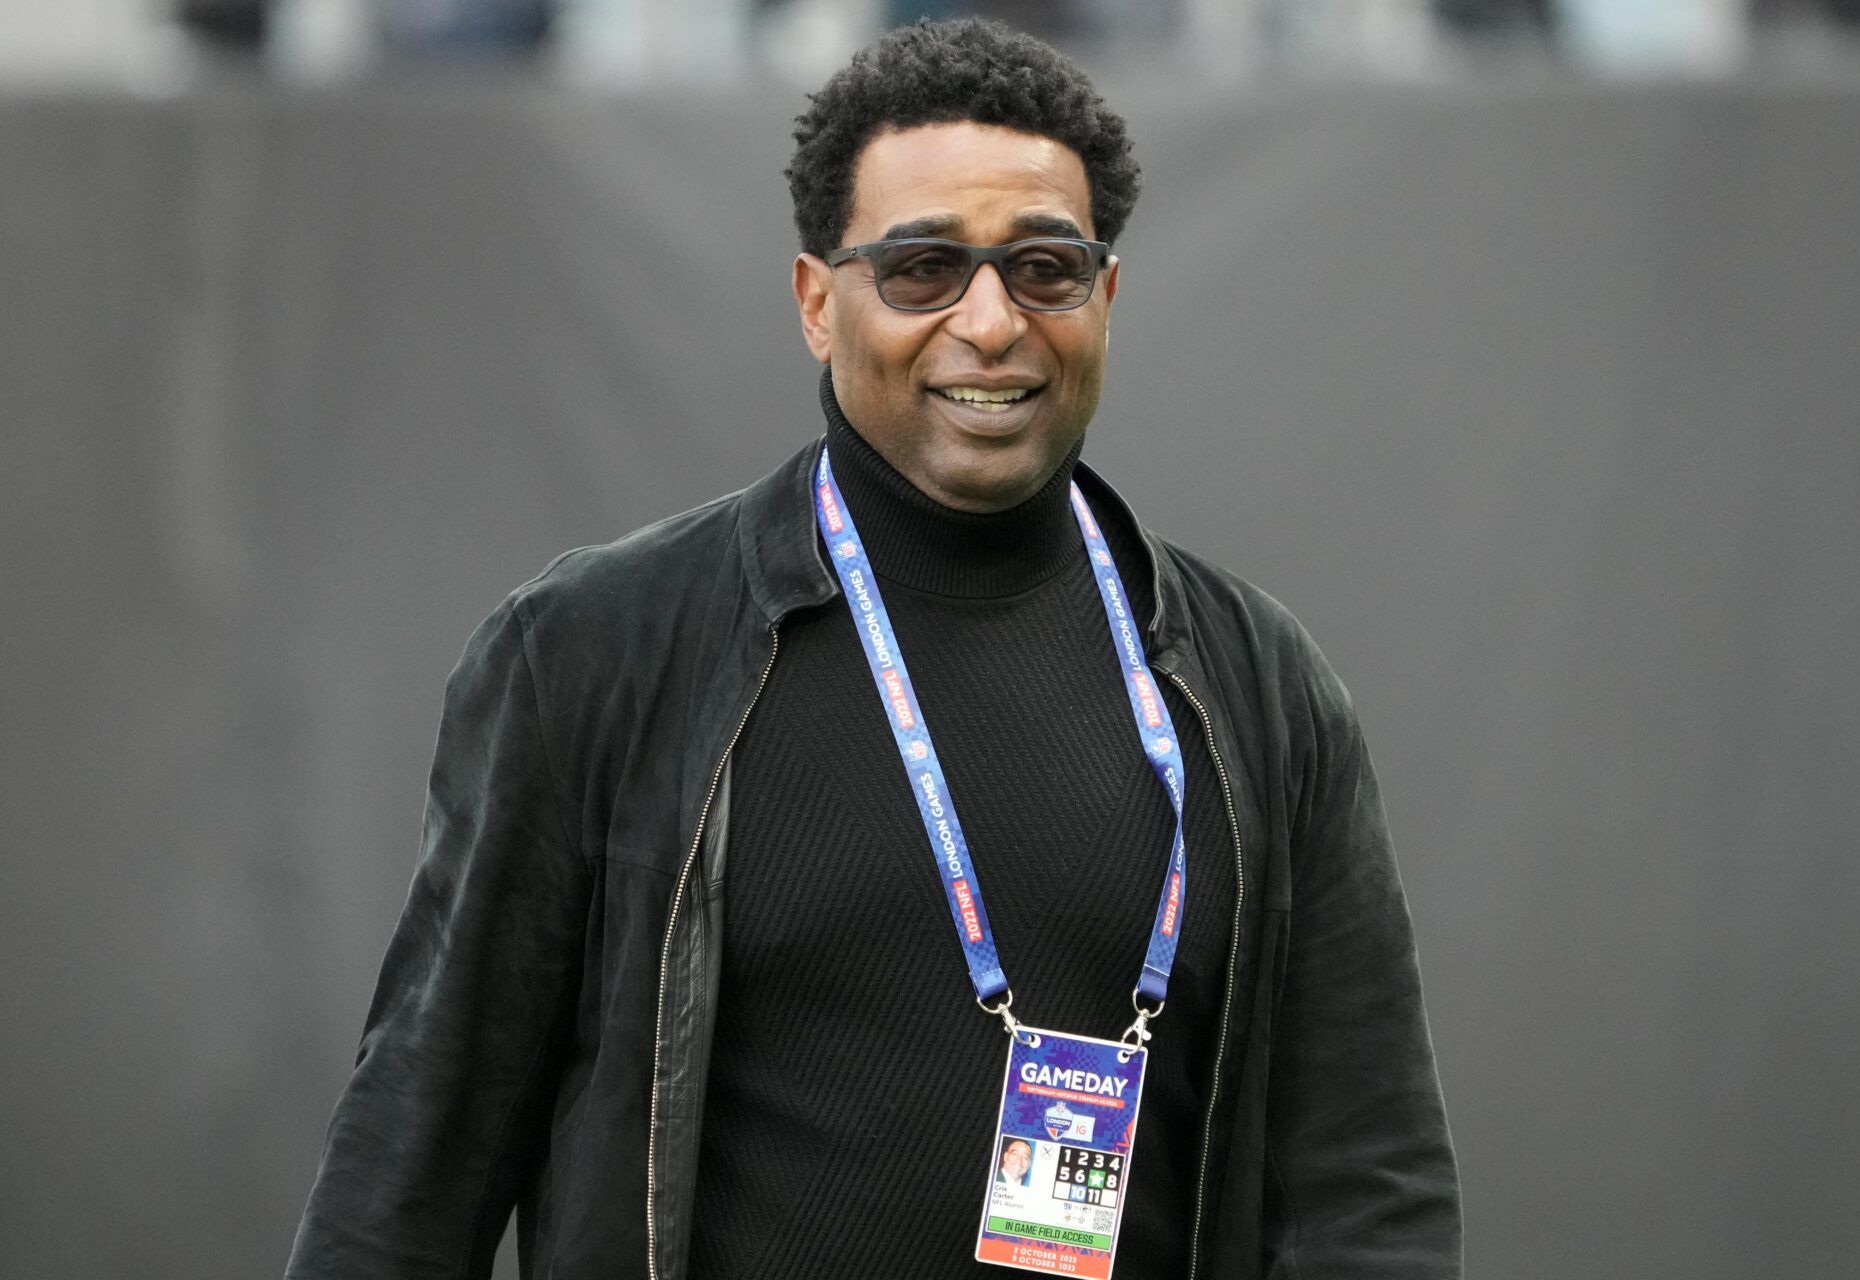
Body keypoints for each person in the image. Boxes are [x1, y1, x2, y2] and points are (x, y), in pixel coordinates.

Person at [286, 18, 1461, 1280]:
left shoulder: (1257, 692)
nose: (992, 321)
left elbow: (1368, 1193)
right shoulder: (592, 655)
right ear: (815, 301)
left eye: (1046, 268)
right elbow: (406, 1182)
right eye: (923, 269)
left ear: (1106, 298)